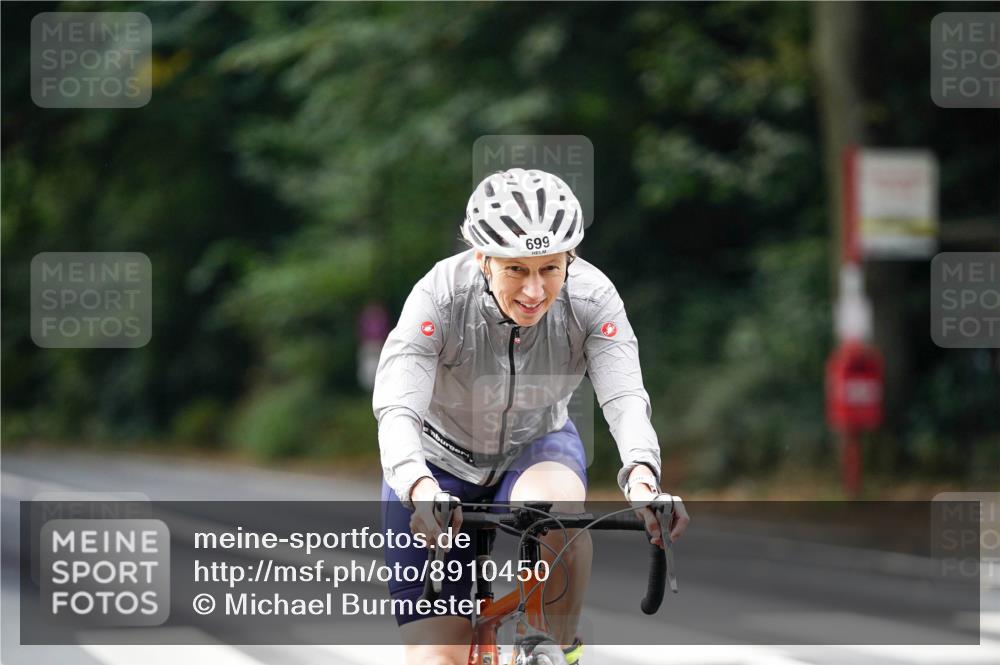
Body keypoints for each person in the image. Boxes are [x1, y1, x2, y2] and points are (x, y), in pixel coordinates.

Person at [374, 168, 689, 665]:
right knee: (437, 657)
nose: (535, 291)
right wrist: (418, 487)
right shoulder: (438, 297)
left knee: (555, 509)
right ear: (482, 258)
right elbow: (397, 406)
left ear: (571, 258)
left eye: (551, 268)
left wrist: (644, 480)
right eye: (515, 270)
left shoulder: (592, 298)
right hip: (436, 463)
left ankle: (552, 649)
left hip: (536, 445)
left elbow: (625, 396)